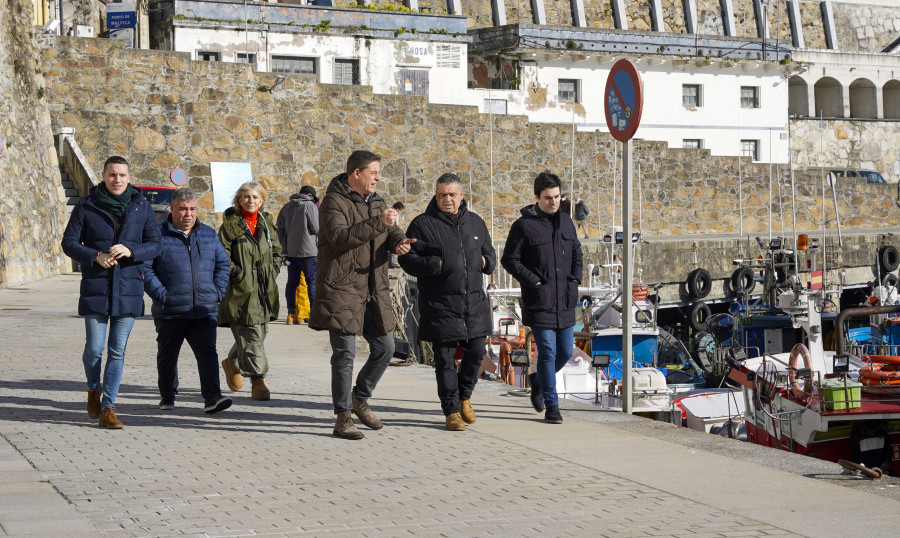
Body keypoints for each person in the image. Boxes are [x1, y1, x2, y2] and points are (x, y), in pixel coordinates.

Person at [310, 150, 414, 440]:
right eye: (374, 172)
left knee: (386, 348)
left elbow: (388, 231)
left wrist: (399, 241)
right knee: (344, 354)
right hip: (341, 290)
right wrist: (379, 223)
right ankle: (343, 417)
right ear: (356, 173)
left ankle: (360, 397)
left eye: (379, 173)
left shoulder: (377, 201)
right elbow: (341, 238)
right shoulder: (333, 201)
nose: (378, 178)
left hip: (372, 289)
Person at [61, 155, 162, 428]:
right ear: (104, 176)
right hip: (96, 285)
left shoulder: (142, 207)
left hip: (128, 287)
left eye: (122, 175)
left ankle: (109, 407)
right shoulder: (86, 205)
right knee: (94, 349)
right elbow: (68, 243)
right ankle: (93, 388)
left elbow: (156, 244)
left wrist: (131, 251)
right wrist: (95, 256)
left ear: (129, 177)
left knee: (117, 351)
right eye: (112, 175)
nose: (117, 180)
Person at [398, 173, 496, 431]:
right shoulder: (422, 225)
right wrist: (435, 265)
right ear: (436, 195)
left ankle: (465, 397)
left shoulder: (475, 223)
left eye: (452, 194)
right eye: (442, 195)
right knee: (445, 360)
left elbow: (490, 254)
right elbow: (407, 260)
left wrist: (485, 262)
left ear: (462, 196)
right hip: (439, 305)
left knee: (476, 352)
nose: (447, 199)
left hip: (473, 304)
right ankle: (451, 411)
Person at [501, 171, 583, 424]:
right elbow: (509, 260)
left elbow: (577, 252)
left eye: (557, 197)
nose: (554, 202)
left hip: (565, 300)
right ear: (536, 197)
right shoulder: (523, 226)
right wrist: (533, 280)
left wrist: (575, 278)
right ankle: (552, 405)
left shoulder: (567, 222)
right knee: (547, 352)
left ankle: (537, 380)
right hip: (540, 300)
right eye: (548, 198)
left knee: (565, 352)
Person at [143, 188, 232, 414]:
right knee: (168, 355)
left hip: (203, 309)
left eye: (192, 209)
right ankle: (168, 395)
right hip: (170, 310)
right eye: (183, 209)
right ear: (171, 209)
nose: (188, 214)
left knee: (208, 353)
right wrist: (162, 296)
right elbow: (145, 269)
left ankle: (213, 397)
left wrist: (217, 292)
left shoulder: (209, 235)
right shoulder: (156, 235)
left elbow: (223, 264)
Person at [218, 181, 282, 401]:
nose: (251, 201)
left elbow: (277, 249)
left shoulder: (267, 223)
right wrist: (238, 275)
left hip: (265, 290)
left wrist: (273, 268)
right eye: (246, 197)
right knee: (252, 336)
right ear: (238, 200)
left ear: (261, 200)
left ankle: (232, 362)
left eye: (255, 197)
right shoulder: (230, 225)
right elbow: (222, 256)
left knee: (258, 334)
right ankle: (258, 380)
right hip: (241, 292)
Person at [276, 184, 319, 325]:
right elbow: (316, 228)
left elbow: (280, 230)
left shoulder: (286, 207)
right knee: (311, 282)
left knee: (292, 283)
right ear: (311, 196)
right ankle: (314, 314)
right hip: (309, 251)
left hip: (291, 253)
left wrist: (285, 249)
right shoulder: (310, 206)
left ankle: (291, 314)